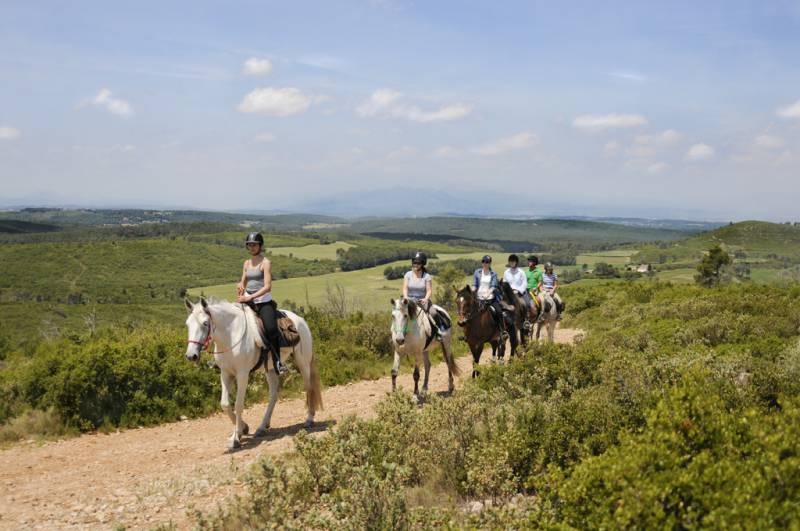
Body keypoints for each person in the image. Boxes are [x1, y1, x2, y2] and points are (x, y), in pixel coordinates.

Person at [235, 232, 288, 375]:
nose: (251, 247)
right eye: (249, 245)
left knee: (271, 329)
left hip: (263, 302)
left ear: (260, 246)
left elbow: (267, 287)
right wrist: (240, 286)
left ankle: (278, 361)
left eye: (254, 245)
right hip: (247, 300)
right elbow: (243, 281)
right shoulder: (246, 263)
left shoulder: (266, 263)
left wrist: (250, 298)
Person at [402, 251, 448, 337]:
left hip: (422, 300)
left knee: (433, 313)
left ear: (422, 264)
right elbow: (405, 288)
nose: (415, 264)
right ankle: (397, 332)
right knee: (398, 313)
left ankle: (439, 330)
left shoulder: (427, 276)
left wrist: (426, 299)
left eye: (418, 263)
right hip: (409, 300)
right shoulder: (408, 275)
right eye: (414, 262)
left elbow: (429, 290)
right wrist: (405, 297)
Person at [472, 254, 509, 339]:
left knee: (499, 311)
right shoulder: (477, 272)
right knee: (469, 312)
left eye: (487, 262)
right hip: (478, 298)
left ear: (490, 263)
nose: (485, 263)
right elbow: (474, 285)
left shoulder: (493, 274)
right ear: (482, 262)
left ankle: (502, 331)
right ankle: (468, 333)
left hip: (490, 298)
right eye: (484, 261)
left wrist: (488, 294)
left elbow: (493, 286)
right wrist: (471, 290)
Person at [503, 254, 533, 324]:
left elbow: (524, 283)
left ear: (516, 262)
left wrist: (518, 291)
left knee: (526, 303)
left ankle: (526, 320)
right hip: (509, 293)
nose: (512, 263)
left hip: (520, 292)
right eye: (510, 261)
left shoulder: (521, 272)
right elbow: (505, 283)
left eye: (513, 261)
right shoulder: (506, 272)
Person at [525, 255, 544, 322]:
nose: (528, 262)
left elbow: (540, 282)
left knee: (542, 300)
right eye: (528, 261)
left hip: (535, 292)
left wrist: (536, 288)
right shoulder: (526, 272)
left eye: (530, 261)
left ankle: (541, 315)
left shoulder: (538, 272)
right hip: (526, 291)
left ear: (534, 262)